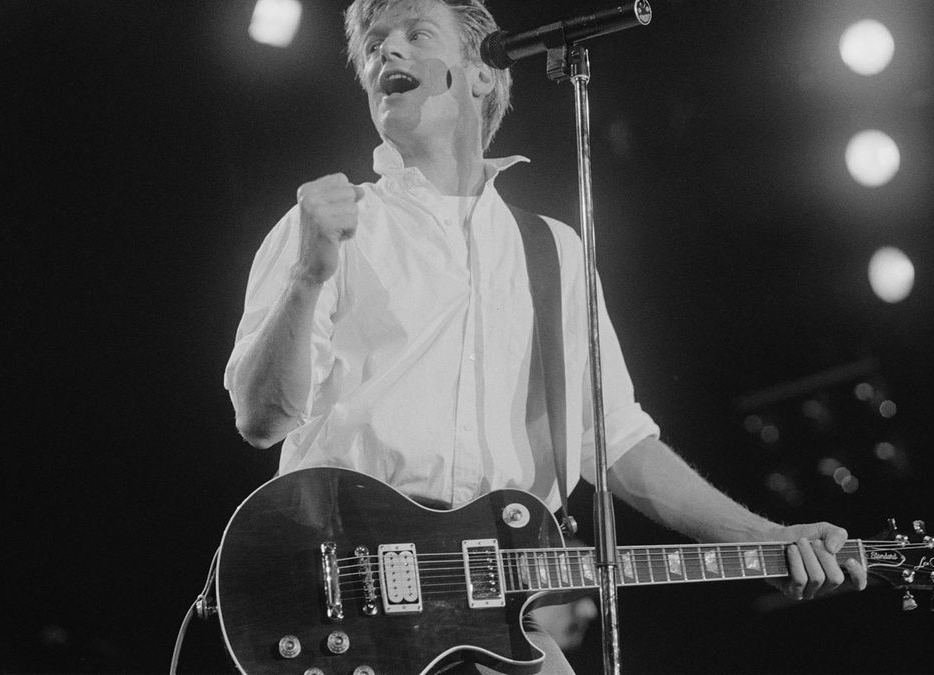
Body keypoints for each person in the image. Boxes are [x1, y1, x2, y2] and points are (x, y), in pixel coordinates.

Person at [224, 0, 867, 672]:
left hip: (488, 619)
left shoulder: (552, 251)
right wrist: (306, 276)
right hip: (342, 607)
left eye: (416, 35)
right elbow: (260, 417)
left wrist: (769, 539)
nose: (388, 52)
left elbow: (616, 441)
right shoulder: (331, 227)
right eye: (375, 44)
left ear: (481, 74)